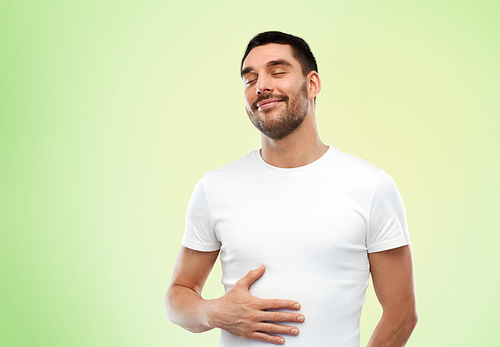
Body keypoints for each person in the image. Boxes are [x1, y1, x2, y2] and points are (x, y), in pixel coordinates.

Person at [165, 31, 417, 346]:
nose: (261, 85)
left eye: (278, 71)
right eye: (250, 78)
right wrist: (214, 312)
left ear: (312, 84)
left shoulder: (371, 186)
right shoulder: (215, 188)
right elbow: (178, 296)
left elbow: (402, 313)